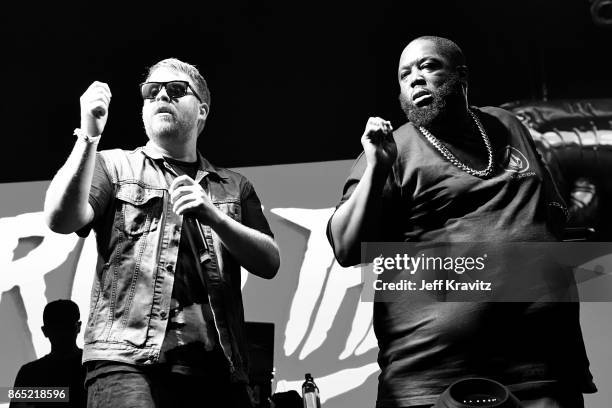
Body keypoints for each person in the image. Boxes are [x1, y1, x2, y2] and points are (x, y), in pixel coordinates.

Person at [326, 36, 596, 407]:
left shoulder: (507, 125)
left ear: (461, 76)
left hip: (544, 371)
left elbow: (551, 212)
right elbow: (344, 246)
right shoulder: (395, 148)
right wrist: (376, 168)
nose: (415, 79)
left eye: (428, 66)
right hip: (434, 379)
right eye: (405, 75)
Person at [43, 58, 280, 408]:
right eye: (151, 91)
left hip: (219, 370)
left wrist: (215, 216)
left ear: (202, 110)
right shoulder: (113, 166)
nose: (161, 96)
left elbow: (270, 262)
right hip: (126, 365)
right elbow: (59, 220)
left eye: (176, 90)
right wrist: (88, 136)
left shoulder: (234, 187)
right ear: (142, 109)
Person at [11, 299, 86, 408]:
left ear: (45, 331)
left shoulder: (29, 373)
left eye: (65, 326)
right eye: (58, 327)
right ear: (78, 326)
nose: (63, 333)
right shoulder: (94, 367)